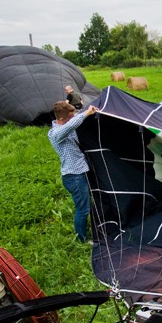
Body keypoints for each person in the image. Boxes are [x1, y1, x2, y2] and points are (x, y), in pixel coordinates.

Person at [48, 100, 99, 243]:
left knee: (85, 206)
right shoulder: (56, 133)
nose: (74, 119)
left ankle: (85, 231)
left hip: (80, 172)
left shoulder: (66, 125)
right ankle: (81, 239)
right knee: (83, 210)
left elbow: (73, 122)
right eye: (71, 118)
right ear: (62, 119)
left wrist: (86, 112)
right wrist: (85, 114)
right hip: (74, 177)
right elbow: (72, 124)